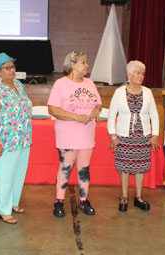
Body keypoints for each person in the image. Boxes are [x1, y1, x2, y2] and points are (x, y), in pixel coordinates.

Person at [47, 51, 102, 217]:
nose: (87, 66)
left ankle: (84, 201)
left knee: (84, 169)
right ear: (72, 64)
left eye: (86, 62)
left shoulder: (90, 82)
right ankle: (59, 201)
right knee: (65, 168)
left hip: (87, 134)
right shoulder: (60, 84)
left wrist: (95, 111)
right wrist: (76, 117)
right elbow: (53, 109)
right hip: (68, 134)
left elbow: (98, 104)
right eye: (83, 62)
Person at [0, 52, 32, 224]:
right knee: (5, 177)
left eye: (13, 66)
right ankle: (3, 209)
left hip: (23, 139)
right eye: (7, 68)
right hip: (5, 143)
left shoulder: (18, 84)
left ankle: (14, 203)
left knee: (18, 174)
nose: (12, 70)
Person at [107, 60, 159, 212]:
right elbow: (111, 115)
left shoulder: (148, 92)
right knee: (124, 167)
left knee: (140, 168)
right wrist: (113, 136)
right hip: (123, 135)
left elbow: (154, 116)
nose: (141, 76)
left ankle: (138, 196)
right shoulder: (119, 92)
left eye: (142, 73)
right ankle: (124, 195)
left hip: (142, 136)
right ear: (129, 74)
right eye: (137, 72)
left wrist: (155, 134)